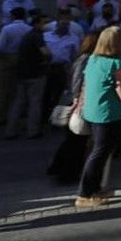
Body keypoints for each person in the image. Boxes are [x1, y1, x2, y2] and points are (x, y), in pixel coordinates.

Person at [76, 25, 121, 207]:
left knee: (99, 152)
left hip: (94, 112)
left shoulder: (94, 59)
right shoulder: (116, 65)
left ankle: (95, 189)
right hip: (109, 114)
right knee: (99, 154)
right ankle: (85, 194)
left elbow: (113, 49)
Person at [48, 32, 98, 183]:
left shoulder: (81, 59)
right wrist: (77, 99)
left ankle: (59, 167)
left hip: (74, 100)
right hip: (76, 102)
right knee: (76, 139)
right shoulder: (85, 60)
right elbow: (76, 81)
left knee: (73, 139)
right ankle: (67, 173)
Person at [5, 14, 51, 139]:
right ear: (37, 24)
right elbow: (45, 52)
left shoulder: (27, 36)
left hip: (22, 73)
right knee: (34, 102)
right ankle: (32, 130)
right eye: (43, 22)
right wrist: (48, 58)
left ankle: (10, 130)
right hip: (35, 73)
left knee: (18, 102)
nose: (45, 25)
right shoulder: (37, 36)